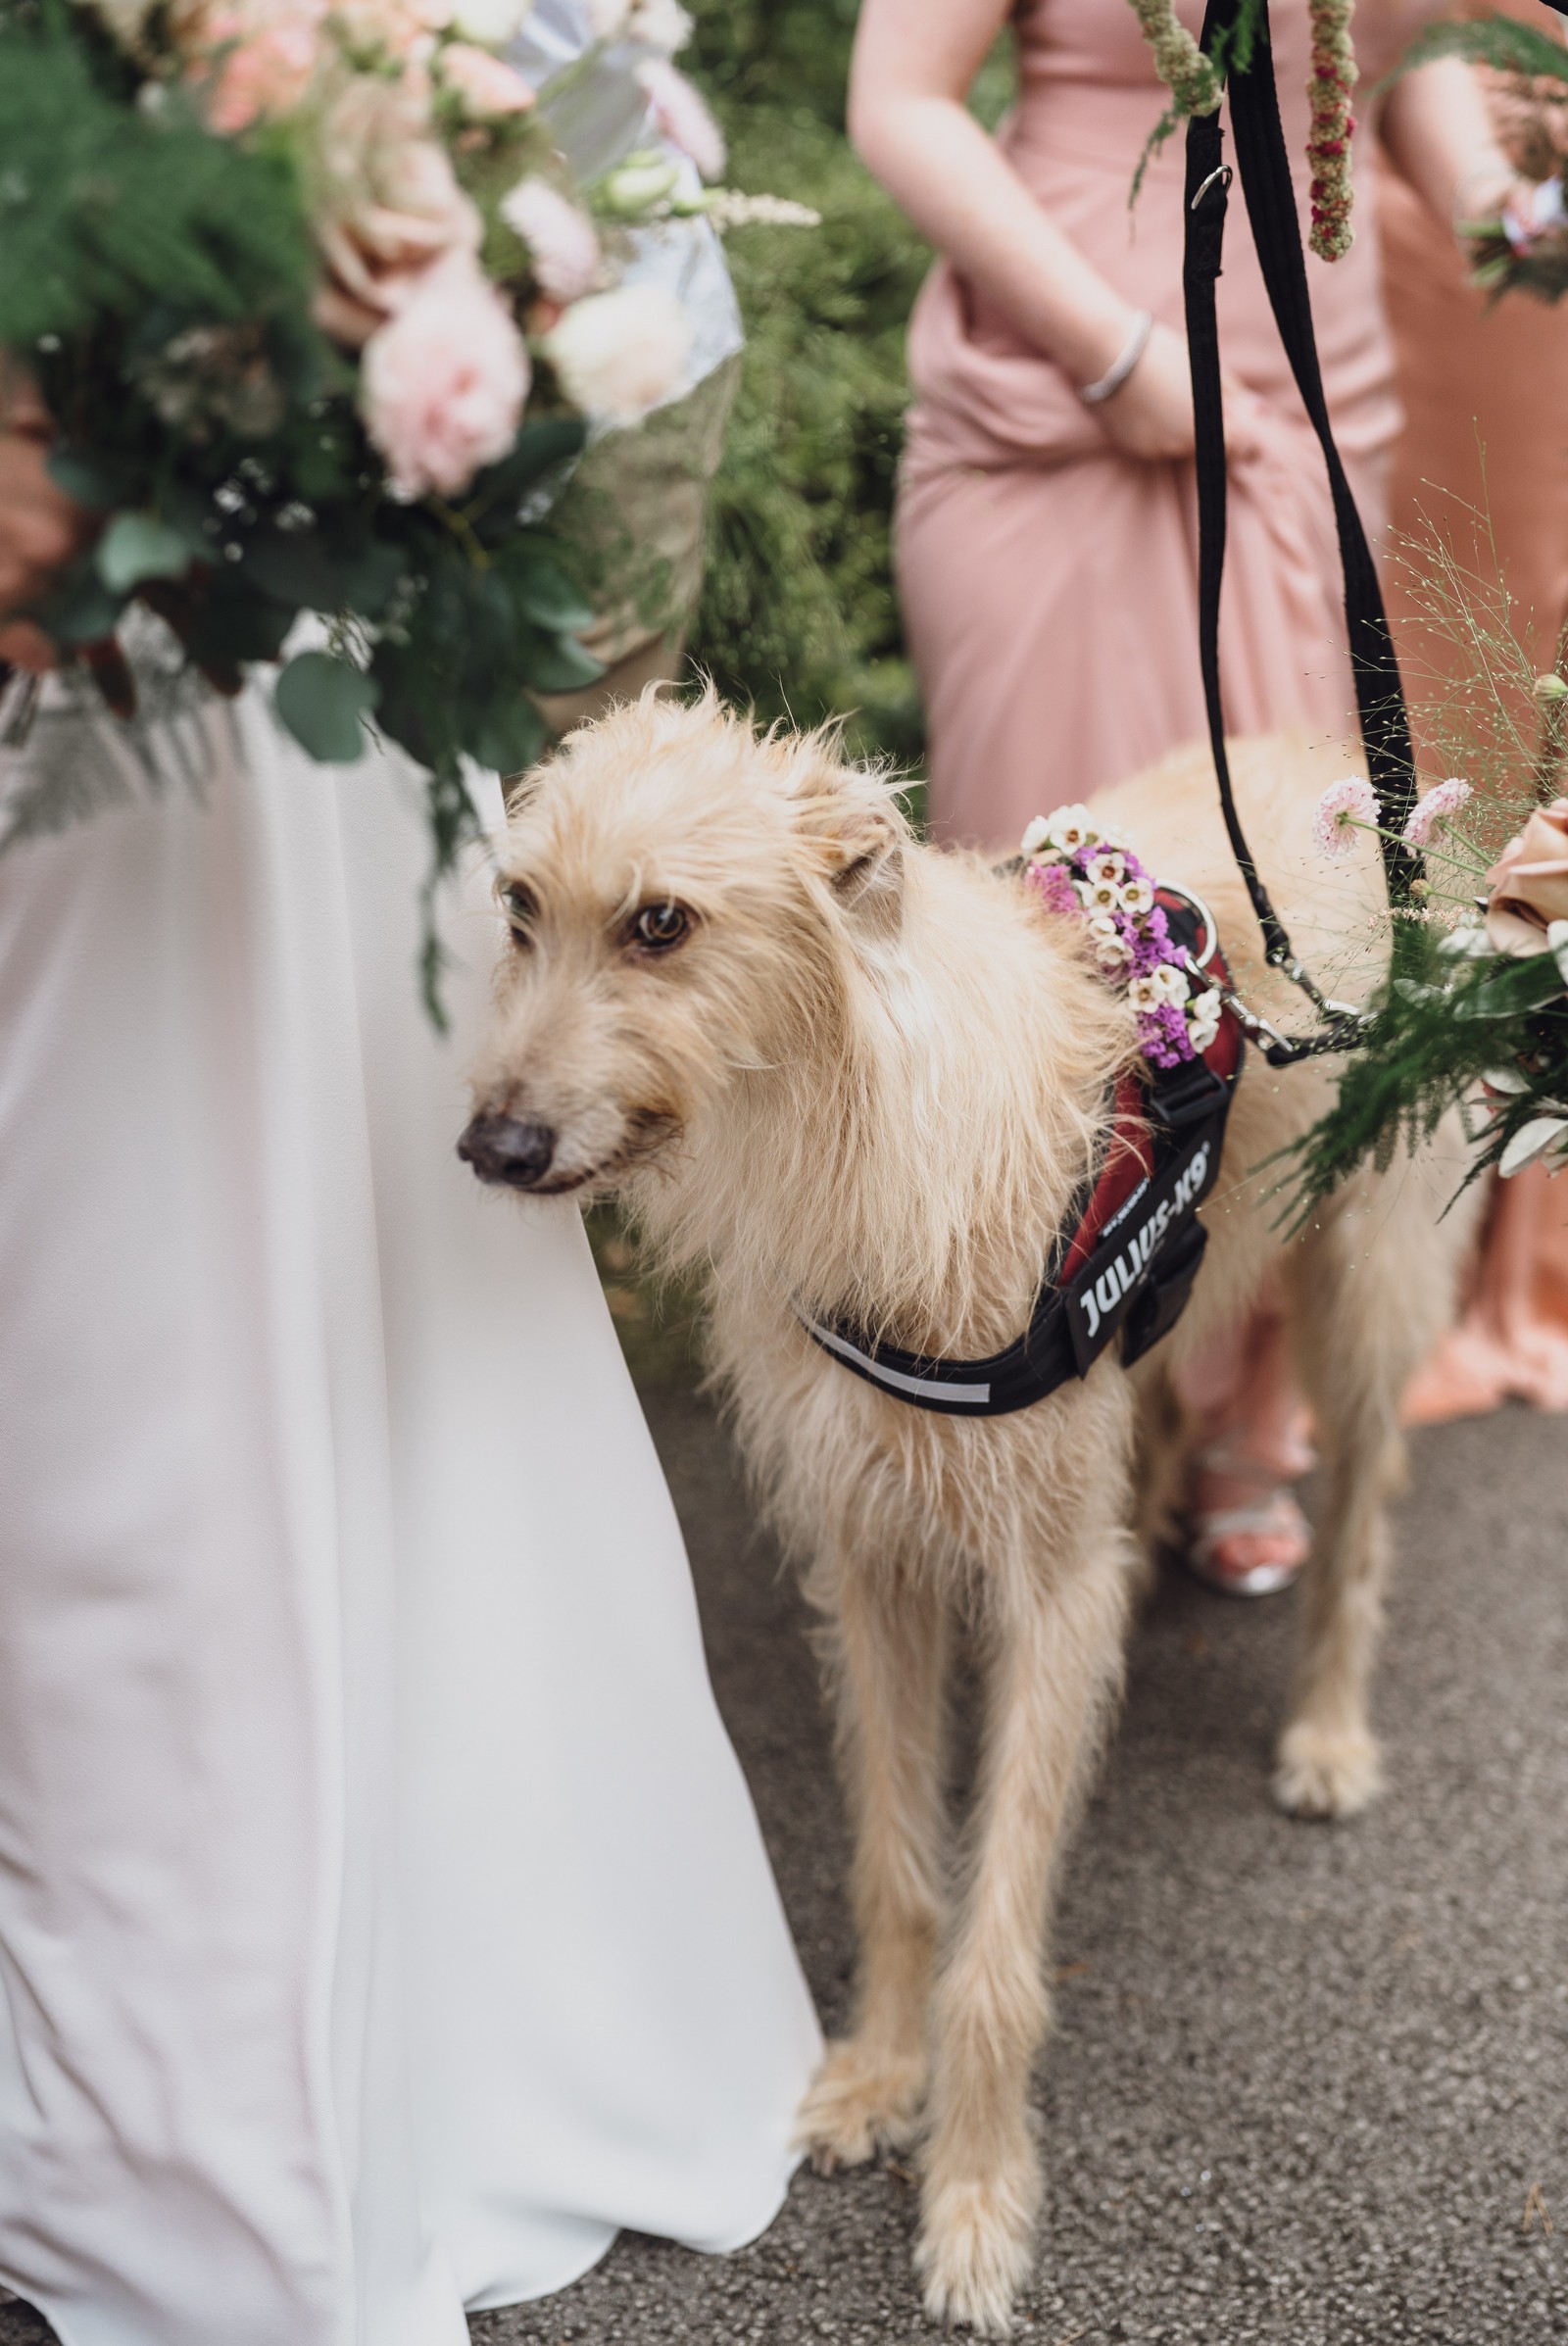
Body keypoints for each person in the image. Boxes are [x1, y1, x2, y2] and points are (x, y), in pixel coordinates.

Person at [0, 105, 820, 2346]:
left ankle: (231, 2080)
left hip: (241, 661)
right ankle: (438, 2008)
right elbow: (613, 155)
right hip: (244, 648)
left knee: (169, 1327)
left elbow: (610, 164)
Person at [847, 0, 1523, 1590]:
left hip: (1304, 391)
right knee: (1055, 929)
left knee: (1297, 929)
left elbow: (1390, 51)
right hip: (1066, 391)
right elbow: (901, 101)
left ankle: (1240, 1416)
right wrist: (1118, 350)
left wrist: (1508, 198)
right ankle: (1030, 1385)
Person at [1375, 0, 1568, 1422]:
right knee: (1464, 757)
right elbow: (1501, 216)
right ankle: (1396, 1286)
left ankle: (1532, 1271)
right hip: (1483, 332)